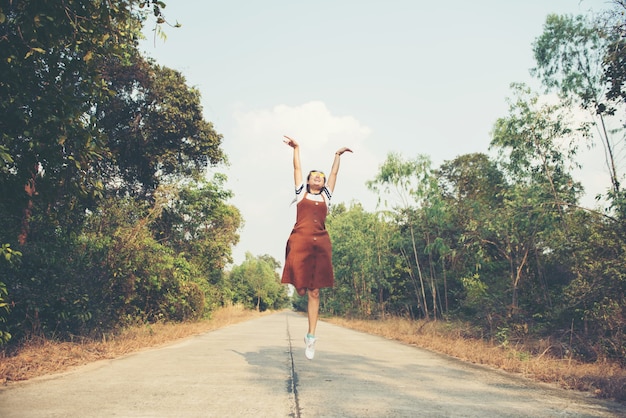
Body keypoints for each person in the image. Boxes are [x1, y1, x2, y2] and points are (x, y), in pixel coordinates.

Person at [281, 135, 352, 360]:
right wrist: (296, 148)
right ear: (309, 180)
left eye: (321, 178)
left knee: (314, 291)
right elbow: (297, 168)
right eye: (315, 177)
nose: (319, 180)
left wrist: (337, 156)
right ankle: (299, 288)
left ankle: (311, 337)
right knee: (301, 288)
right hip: (300, 242)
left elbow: (334, 174)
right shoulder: (300, 192)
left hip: (320, 244)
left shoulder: (326, 196)